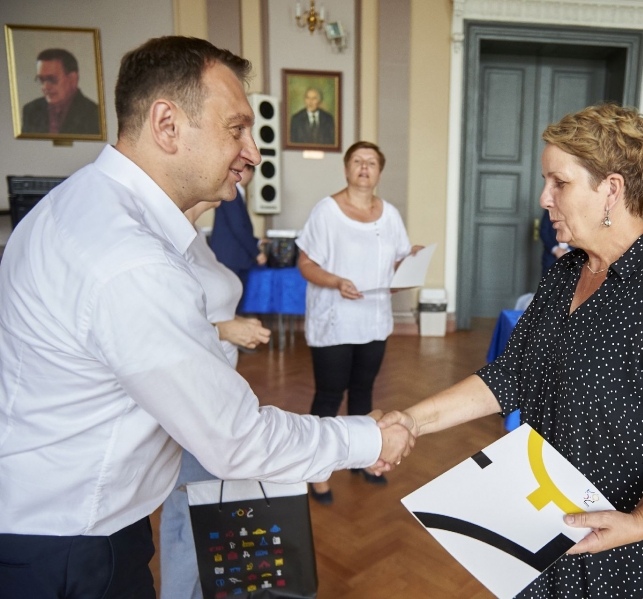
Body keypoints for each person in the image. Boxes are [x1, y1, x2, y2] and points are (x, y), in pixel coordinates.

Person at [0, 36, 410, 598]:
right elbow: (235, 440)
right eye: (236, 128)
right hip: (70, 541)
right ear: (167, 125)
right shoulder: (129, 259)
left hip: (58, 511)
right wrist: (368, 438)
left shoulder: (88, 204)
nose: (253, 152)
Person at [378, 104, 643, 597]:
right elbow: (511, 374)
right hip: (544, 528)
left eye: (560, 183)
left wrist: (640, 521)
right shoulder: (567, 272)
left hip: (624, 553)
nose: (543, 198)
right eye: (546, 182)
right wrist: (412, 421)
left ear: (611, 189)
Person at [296, 141, 422, 505]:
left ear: (380, 171)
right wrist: (336, 282)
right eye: (357, 161)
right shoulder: (327, 211)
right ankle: (317, 471)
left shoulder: (390, 215)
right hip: (334, 321)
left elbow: (396, 268)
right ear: (346, 168)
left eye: (371, 162)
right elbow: (305, 264)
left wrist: (412, 262)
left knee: (364, 392)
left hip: (374, 320)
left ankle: (363, 457)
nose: (364, 167)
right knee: (330, 394)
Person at [159, 199, 271, 599]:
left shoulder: (194, 234)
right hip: (192, 394)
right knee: (192, 508)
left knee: (203, 507)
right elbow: (158, 324)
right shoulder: (162, 234)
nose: (244, 169)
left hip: (217, 388)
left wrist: (232, 325)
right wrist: (225, 330)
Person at [209, 162, 267, 296]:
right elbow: (238, 228)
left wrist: (257, 241)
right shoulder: (231, 193)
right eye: (253, 172)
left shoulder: (237, 194)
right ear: (245, 169)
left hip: (232, 258)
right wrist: (257, 253)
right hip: (231, 260)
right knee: (231, 302)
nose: (252, 177)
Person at [21, 48, 101, 135]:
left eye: (51, 79)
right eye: (41, 80)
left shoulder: (95, 114)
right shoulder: (31, 111)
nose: (45, 87)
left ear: (73, 79)